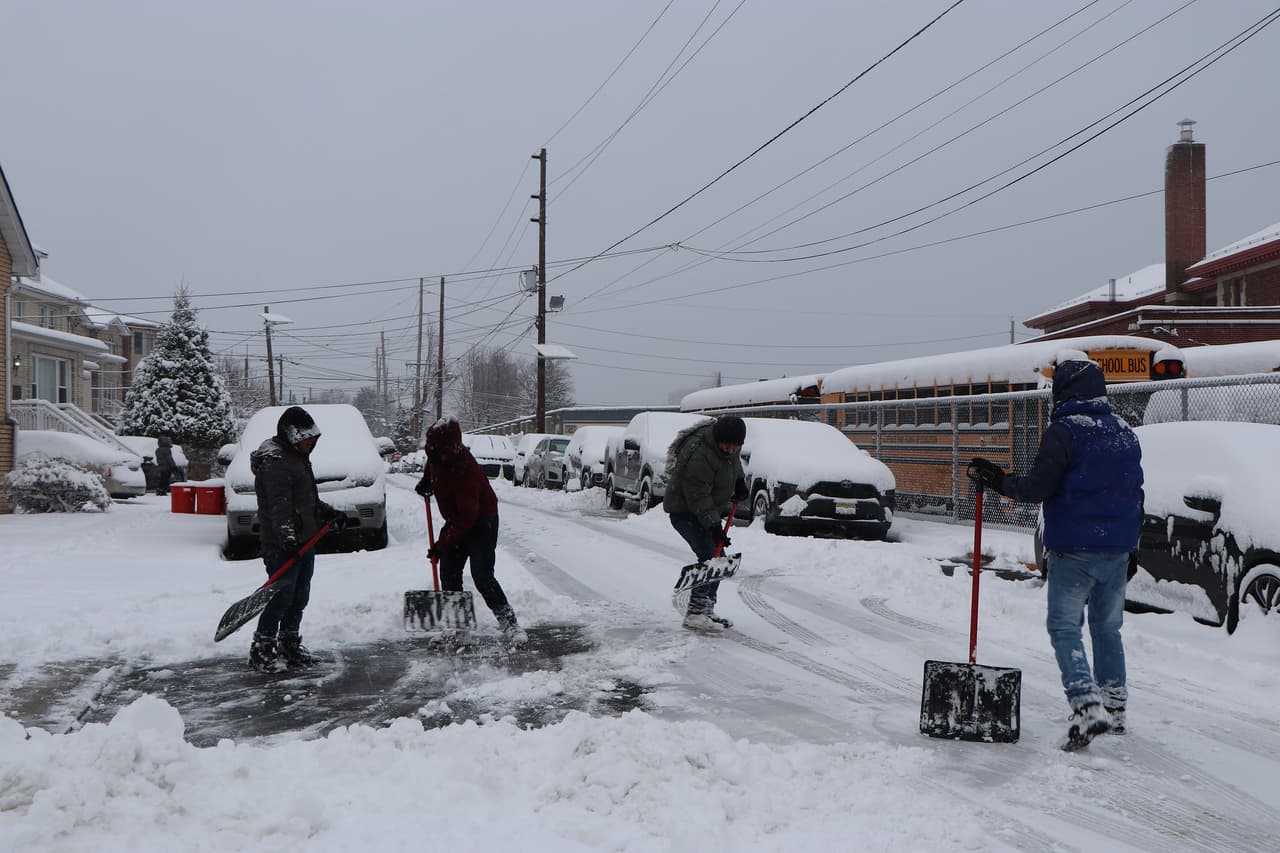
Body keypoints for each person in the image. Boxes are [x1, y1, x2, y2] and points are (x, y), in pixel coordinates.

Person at [970, 351, 1143, 750]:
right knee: (1107, 628)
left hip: (1073, 549)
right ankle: (1114, 708)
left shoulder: (1065, 432)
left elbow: (1037, 489)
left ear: (1063, 392)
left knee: (1065, 629)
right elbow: (1136, 492)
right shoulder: (1124, 431)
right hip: (1116, 550)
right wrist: (1130, 546)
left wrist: (998, 481)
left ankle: (1086, 704)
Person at [414, 417, 526, 644]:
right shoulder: (438, 454)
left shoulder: (467, 472)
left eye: (436, 453)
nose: (432, 456)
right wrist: (427, 480)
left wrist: (442, 543)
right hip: (458, 519)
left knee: (482, 575)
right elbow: (432, 464)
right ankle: (459, 628)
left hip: (481, 522)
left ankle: (510, 624)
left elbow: (467, 519)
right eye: (430, 451)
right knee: (448, 570)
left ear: (451, 448)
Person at [248, 406, 344, 671]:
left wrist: (326, 512)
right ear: (292, 436)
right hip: (281, 543)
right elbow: (279, 506)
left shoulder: (297, 457)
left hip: (304, 540)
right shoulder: (276, 461)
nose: (311, 442)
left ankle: (288, 644)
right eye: (306, 438)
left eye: (313, 438)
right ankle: (262, 648)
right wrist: (287, 539)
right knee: (280, 596)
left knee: (299, 595)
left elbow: (304, 499)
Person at [663, 415, 748, 632]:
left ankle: (705, 609)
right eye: (727, 445)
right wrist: (713, 526)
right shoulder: (699, 455)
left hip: (705, 511)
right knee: (711, 556)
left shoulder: (729, 447)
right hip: (685, 511)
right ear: (718, 439)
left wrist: (739, 480)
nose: (730, 450)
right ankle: (696, 612)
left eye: (735, 446)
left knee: (716, 558)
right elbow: (698, 497)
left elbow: (734, 462)